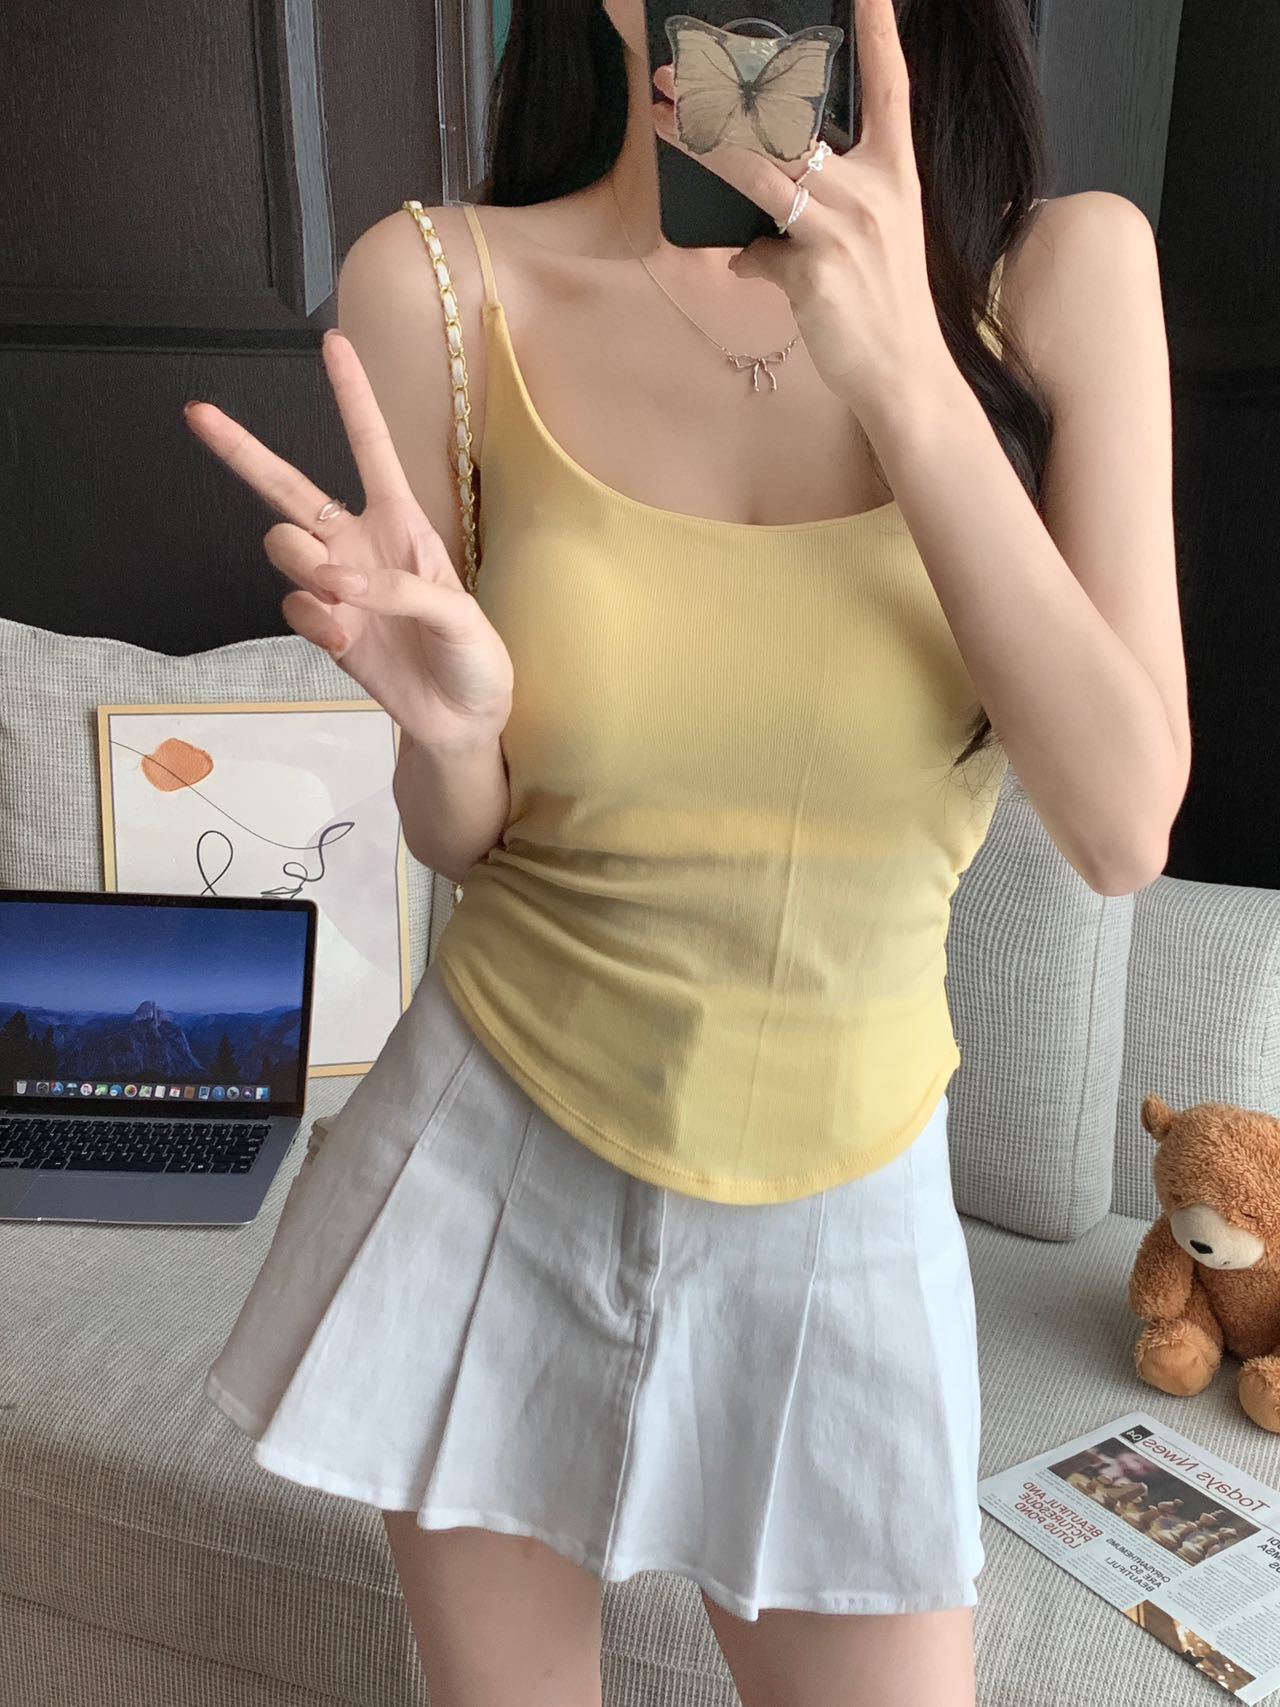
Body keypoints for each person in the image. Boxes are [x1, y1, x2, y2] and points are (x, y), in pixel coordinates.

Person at [184, 1, 1190, 1702]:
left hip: (845, 1203)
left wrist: (904, 369)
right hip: (493, 1155)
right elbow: (464, 837)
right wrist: (451, 732)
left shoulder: (1065, 274)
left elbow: (1121, 823)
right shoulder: (438, 288)